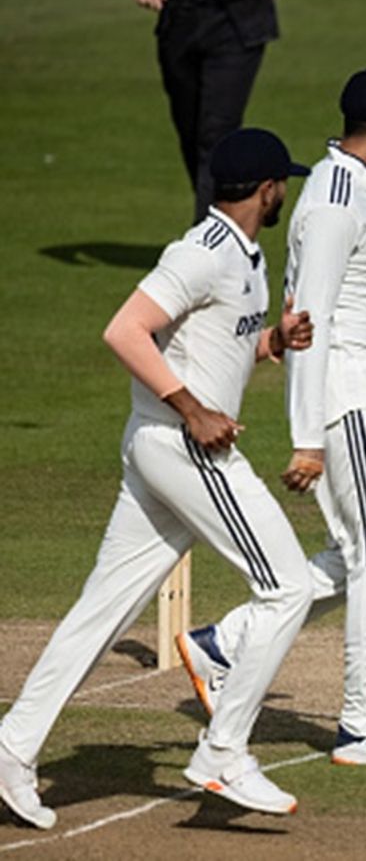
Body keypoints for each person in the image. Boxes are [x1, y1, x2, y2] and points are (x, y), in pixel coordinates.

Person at [0, 130, 314, 828]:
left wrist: (271, 342)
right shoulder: (201, 252)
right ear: (268, 189)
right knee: (289, 586)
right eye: (281, 183)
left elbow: (213, 341)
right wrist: (193, 408)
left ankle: (11, 748)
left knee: (102, 611)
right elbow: (125, 330)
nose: (283, 191)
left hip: (163, 450)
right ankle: (223, 751)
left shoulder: (243, 256)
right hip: (184, 448)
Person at [176, 67, 366, 766]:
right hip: (345, 401)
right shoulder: (336, 202)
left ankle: (226, 645)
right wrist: (307, 441)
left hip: (365, 391)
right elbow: (305, 322)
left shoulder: (353, 194)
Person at [128, 0, 297, 223]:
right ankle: (225, 219)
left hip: (238, 7)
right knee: (190, 129)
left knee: (216, 133)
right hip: (176, 10)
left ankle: (208, 236)